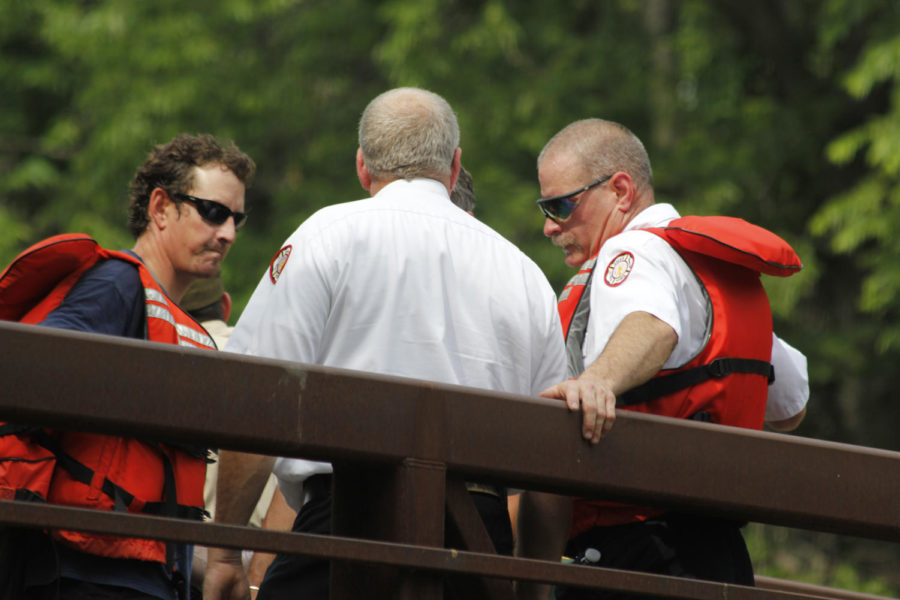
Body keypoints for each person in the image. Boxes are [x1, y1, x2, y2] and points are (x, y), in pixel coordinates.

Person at [203, 87, 567, 600]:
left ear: (362, 167)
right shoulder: (525, 275)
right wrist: (532, 588)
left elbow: (258, 395)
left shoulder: (326, 236)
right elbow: (551, 454)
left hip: (347, 524)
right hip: (477, 551)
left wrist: (223, 553)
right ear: (455, 166)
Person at [516, 119, 809, 599]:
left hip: (637, 555)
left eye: (561, 205)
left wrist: (597, 382)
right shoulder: (712, 268)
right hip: (722, 557)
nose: (550, 225)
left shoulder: (630, 251)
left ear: (621, 191)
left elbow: (652, 326)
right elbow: (792, 405)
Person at [0, 133, 255, 600]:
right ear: (161, 208)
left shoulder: (164, 312)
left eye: (237, 218)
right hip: (80, 571)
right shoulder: (115, 285)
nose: (228, 234)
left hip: (139, 571)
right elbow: (30, 371)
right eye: (214, 212)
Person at [180, 276, 282, 598]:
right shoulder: (261, 356)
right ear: (225, 304)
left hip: (177, 555)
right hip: (259, 558)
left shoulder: (158, 349)